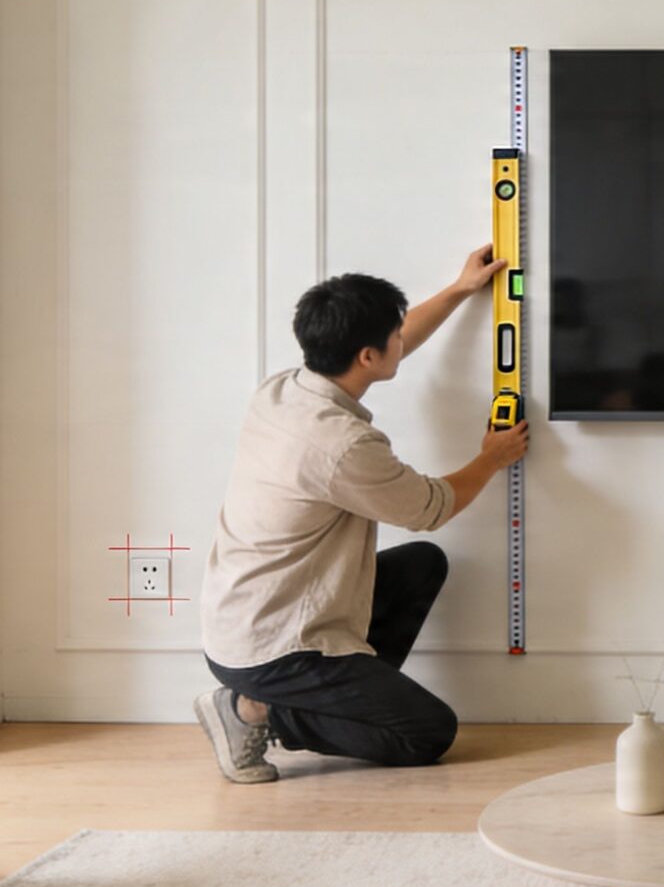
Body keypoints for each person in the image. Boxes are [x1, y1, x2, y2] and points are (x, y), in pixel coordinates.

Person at [194, 248, 530, 782]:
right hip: (274, 650)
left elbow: (394, 342)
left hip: (240, 621)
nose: (403, 338)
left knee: (421, 564)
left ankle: (336, 697)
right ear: (368, 356)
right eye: (393, 335)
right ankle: (250, 711)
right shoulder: (341, 445)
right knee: (427, 733)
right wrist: (492, 457)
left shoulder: (284, 389)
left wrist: (460, 289)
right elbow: (432, 507)